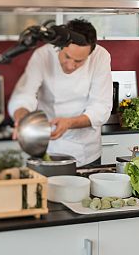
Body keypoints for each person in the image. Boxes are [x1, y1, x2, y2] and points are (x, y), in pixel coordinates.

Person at [9, 19, 112, 166]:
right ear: (59, 47)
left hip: (86, 152)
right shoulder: (43, 55)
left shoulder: (100, 57)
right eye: (67, 57)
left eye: (79, 61)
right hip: (48, 146)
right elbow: (24, 94)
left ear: (90, 53)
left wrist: (69, 122)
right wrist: (22, 118)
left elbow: (100, 108)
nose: (70, 66)